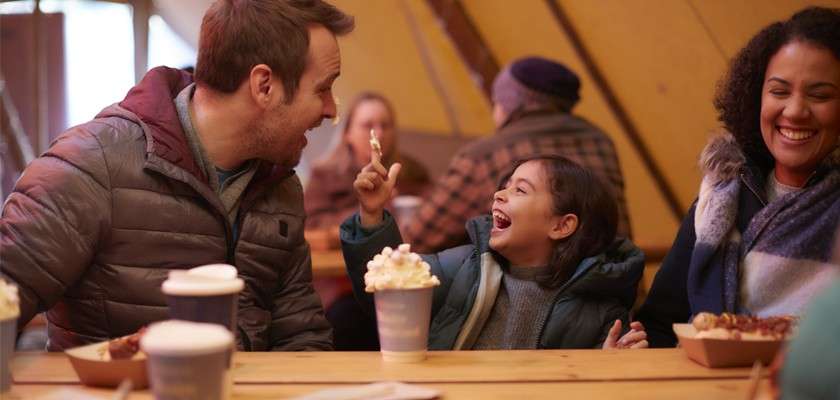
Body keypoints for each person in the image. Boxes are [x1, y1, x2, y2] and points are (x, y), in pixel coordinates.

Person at [0, 0, 354, 351]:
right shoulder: (92, 166)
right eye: (323, 88)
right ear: (263, 85)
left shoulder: (280, 185)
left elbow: (302, 338)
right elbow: (5, 296)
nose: (332, 109)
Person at [636, 6, 840, 347]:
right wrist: (632, 346)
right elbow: (659, 324)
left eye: (819, 95)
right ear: (754, 97)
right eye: (779, 91)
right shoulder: (722, 198)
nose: (794, 111)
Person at [342, 153, 647, 350]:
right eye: (505, 186)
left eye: (520, 190)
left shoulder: (599, 310)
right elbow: (386, 287)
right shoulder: (463, 267)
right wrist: (371, 215)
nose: (499, 194)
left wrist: (609, 362)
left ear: (561, 226)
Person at [401, 56, 630, 253]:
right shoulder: (601, 141)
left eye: (496, 101)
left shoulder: (483, 156)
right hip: (616, 293)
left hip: (532, 298)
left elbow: (416, 239)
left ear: (507, 104)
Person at [304, 92, 430, 229]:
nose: (379, 134)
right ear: (348, 133)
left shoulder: (411, 171)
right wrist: (370, 208)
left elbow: (434, 209)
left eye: (385, 125)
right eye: (368, 125)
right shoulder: (324, 175)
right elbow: (312, 225)